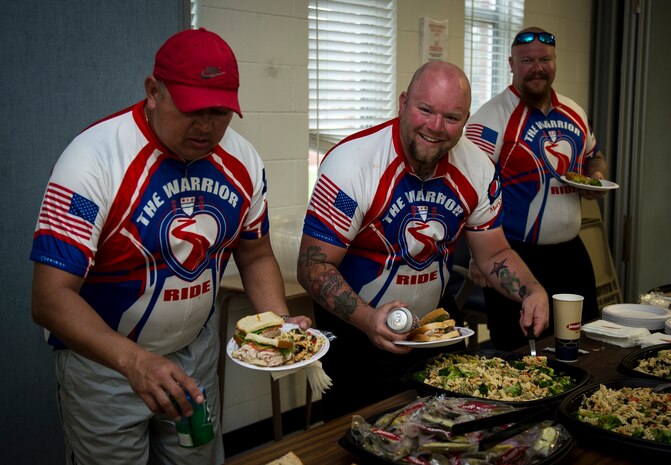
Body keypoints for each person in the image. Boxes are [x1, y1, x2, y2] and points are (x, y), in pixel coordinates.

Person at [30, 28, 311, 465]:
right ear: (154, 91)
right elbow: (49, 299)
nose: (206, 126)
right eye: (192, 109)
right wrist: (135, 362)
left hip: (193, 355)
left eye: (220, 112)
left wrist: (278, 327)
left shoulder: (242, 161)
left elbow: (255, 254)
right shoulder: (91, 161)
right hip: (107, 364)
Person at [296, 61, 549, 422]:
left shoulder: (478, 169)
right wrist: (368, 319)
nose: (435, 127)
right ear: (402, 104)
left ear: (465, 121)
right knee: (362, 441)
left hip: (435, 330)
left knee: (450, 435)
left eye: (451, 117)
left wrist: (531, 290)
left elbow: (494, 252)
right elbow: (312, 266)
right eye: (425, 110)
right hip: (358, 333)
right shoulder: (351, 164)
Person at [465, 27, 608, 351]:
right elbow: (468, 187)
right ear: (512, 63)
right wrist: (477, 254)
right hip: (513, 256)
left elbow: (593, 156)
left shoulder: (574, 112)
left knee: (583, 344)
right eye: (527, 60)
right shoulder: (491, 117)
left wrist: (595, 176)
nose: (537, 67)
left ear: (555, 62)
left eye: (545, 59)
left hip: (571, 253)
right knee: (520, 355)